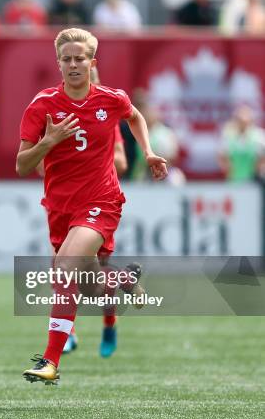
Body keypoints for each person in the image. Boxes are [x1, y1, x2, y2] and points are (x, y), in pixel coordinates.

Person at [16, 28, 167, 384]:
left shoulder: (111, 99)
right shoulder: (42, 106)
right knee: (88, 286)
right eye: (66, 59)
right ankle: (122, 278)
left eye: (79, 58)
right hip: (60, 208)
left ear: (91, 62)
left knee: (63, 269)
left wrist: (147, 152)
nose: (73, 65)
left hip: (101, 200)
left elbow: (135, 117)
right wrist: (48, 141)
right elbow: (22, 165)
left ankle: (50, 362)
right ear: (59, 63)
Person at [61, 66, 128, 358]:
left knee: (95, 276)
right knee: (61, 266)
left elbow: (122, 162)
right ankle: (67, 333)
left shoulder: (106, 116)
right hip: (64, 201)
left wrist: (94, 160)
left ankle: (109, 322)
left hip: (96, 202)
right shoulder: (61, 114)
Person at [218, 105, 265, 182]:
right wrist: (228, 167)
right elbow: (221, 156)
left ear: (251, 120)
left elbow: (263, 158)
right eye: (240, 121)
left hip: (254, 181)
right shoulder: (228, 136)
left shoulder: (259, 136)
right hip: (234, 180)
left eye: (245, 121)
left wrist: (258, 168)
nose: (243, 124)